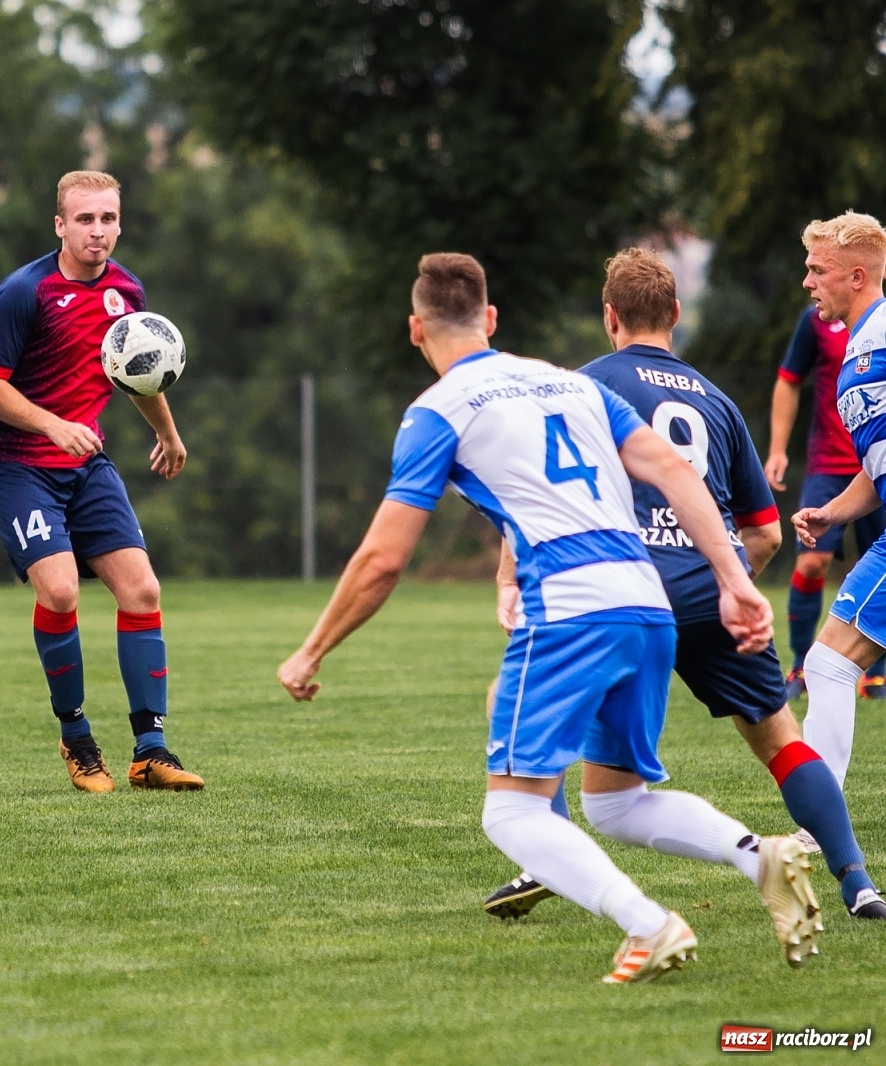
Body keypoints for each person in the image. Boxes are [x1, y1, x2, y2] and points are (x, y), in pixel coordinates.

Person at [277, 252, 820, 984]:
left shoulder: (437, 410)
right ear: (492, 320)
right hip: (645, 603)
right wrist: (736, 582)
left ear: (415, 330)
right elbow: (674, 471)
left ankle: (650, 926)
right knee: (618, 803)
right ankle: (760, 853)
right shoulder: (571, 383)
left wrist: (310, 651)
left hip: (570, 609)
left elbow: (381, 560)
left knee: (511, 815)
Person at [482, 248, 885, 922]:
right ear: (674, 314)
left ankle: (540, 858)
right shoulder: (720, 404)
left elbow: (535, 496)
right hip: (714, 588)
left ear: (609, 316)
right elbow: (765, 535)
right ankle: (859, 884)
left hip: (625, 592)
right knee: (780, 738)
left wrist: (509, 579)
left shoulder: (581, 386)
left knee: (533, 709)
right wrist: (723, 586)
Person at [0, 170, 203, 793]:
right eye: (84, 220)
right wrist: (52, 426)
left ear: (119, 223)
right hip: (16, 463)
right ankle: (77, 740)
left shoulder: (128, 291)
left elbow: (140, 373)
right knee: (62, 592)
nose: (96, 231)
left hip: (84, 464)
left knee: (143, 591)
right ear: (60, 225)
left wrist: (169, 434)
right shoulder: (25, 293)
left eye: (106, 219)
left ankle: (151, 751)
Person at [793, 211, 886, 803]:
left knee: (827, 664)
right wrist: (834, 511)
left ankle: (815, 826)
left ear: (856, 276)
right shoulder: (858, 341)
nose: (807, 281)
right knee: (827, 664)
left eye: (817, 269)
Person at [766, 305, 886, 700]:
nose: (809, 280)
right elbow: (788, 379)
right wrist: (778, 449)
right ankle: (801, 665)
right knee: (811, 560)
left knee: (876, 561)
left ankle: (876, 671)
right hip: (830, 465)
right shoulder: (815, 321)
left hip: (878, 462)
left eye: (818, 269)